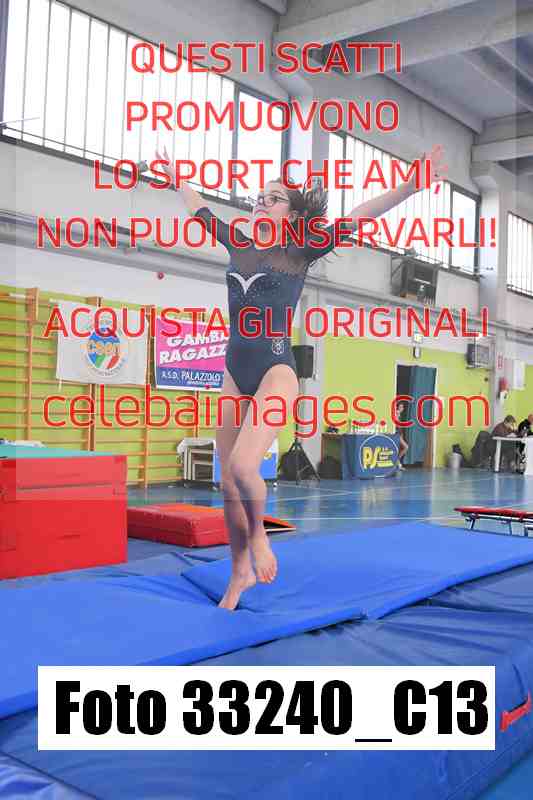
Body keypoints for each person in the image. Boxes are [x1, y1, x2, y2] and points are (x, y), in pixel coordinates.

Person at [155, 144, 448, 610]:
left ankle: (259, 539)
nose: (260, 202)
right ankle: (239, 573)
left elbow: (358, 216)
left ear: (292, 215)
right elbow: (199, 208)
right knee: (228, 485)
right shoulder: (237, 243)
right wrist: (177, 179)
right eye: (259, 197)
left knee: (244, 468)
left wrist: (409, 188)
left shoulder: (299, 250)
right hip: (233, 370)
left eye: (273, 198)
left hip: (275, 370)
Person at [394, 400, 409, 470]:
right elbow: (397, 425)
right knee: (406, 447)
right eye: (400, 407)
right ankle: (396, 460)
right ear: (397, 407)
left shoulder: (399, 414)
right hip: (397, 434)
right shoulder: (397, 414)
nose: (402, 408)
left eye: (402, 407)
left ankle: (399, 465)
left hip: (400, 433)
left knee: (399, 449)